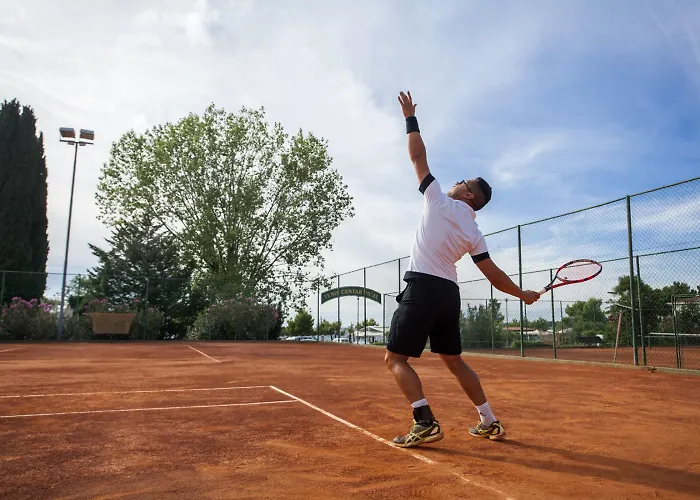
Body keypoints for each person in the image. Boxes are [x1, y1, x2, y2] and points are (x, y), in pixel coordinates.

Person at [386, 91, 541, 448]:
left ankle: (425, 422)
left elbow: (417, 156)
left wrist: (410, 118)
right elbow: (493, 275)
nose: (457, 182)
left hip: (423, 288)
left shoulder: (438, 199)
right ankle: (489, 421)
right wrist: (522, 295)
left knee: (395, 359)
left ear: (469, 195)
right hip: (448, 295)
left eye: (463, 182)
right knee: (454, 361)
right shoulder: (474, 232)